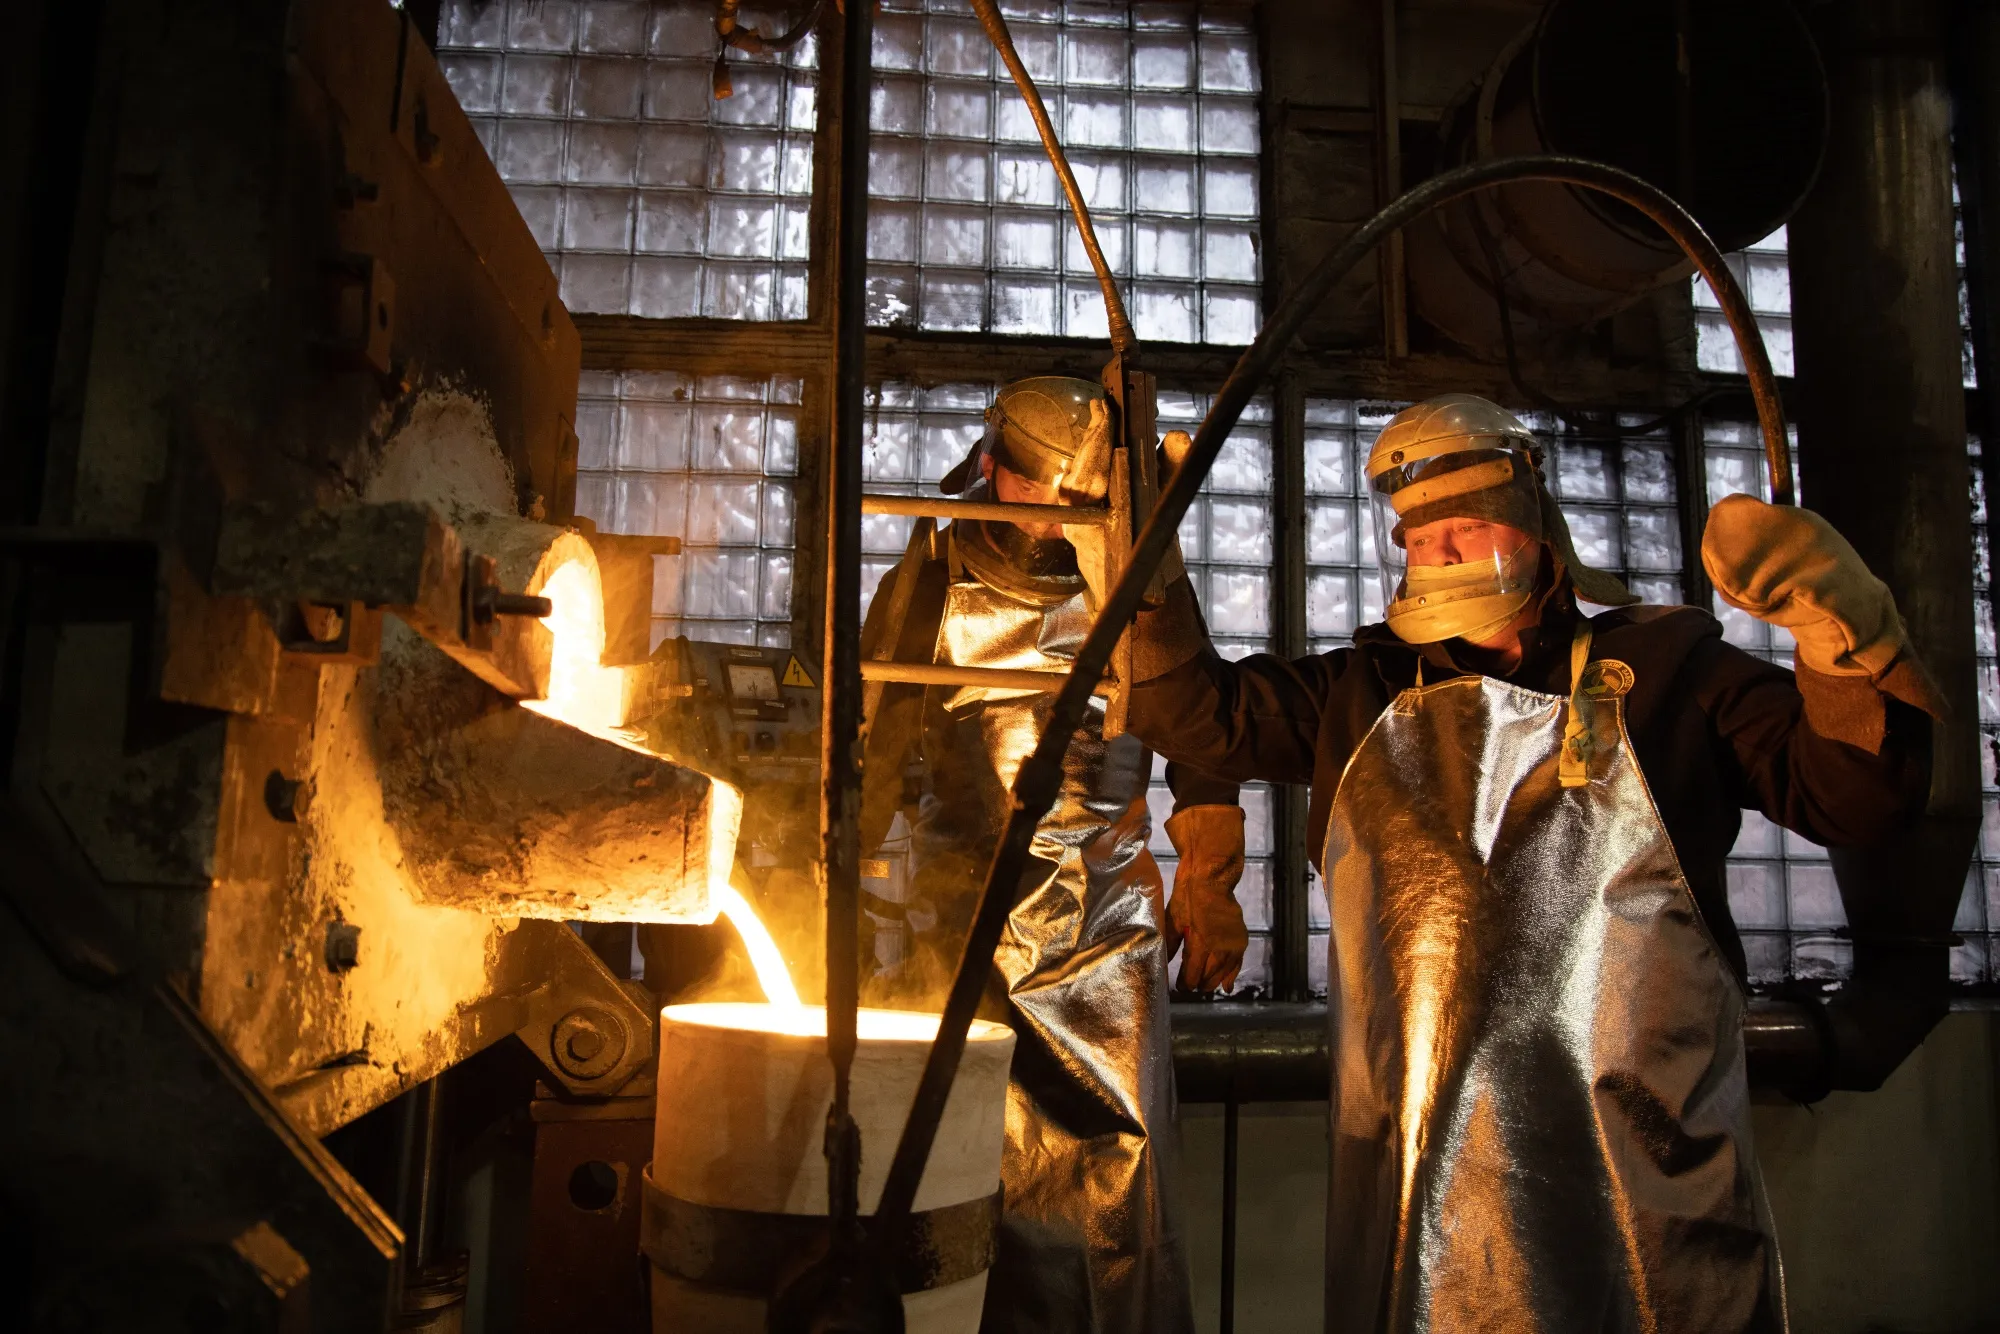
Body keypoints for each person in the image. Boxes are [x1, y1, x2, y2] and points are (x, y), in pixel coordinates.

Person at [1089, 394, 1938, 1333]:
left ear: (1539, 532)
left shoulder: (1665, 672)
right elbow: (1194, 716)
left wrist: (1843, 638)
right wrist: (1148, 570)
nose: (1440, 552)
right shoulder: (1362, 689)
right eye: (1420, 535)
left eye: (1467, 526)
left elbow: (1857, 800)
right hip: (1423, 1168)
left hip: (1642, 1174)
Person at [858, 376, 1248, 1334]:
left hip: (1107, 928)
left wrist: (1208, 876)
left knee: (1119, 1171)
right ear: (995, 465)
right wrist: (848, 882)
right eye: (1042, 497)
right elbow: (869, 751)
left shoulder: (1132, 579)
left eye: (1080, 505)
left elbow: (1201, 728)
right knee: (970, 1171)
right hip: (966, 925)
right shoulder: (928, 577)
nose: (1057, 522)